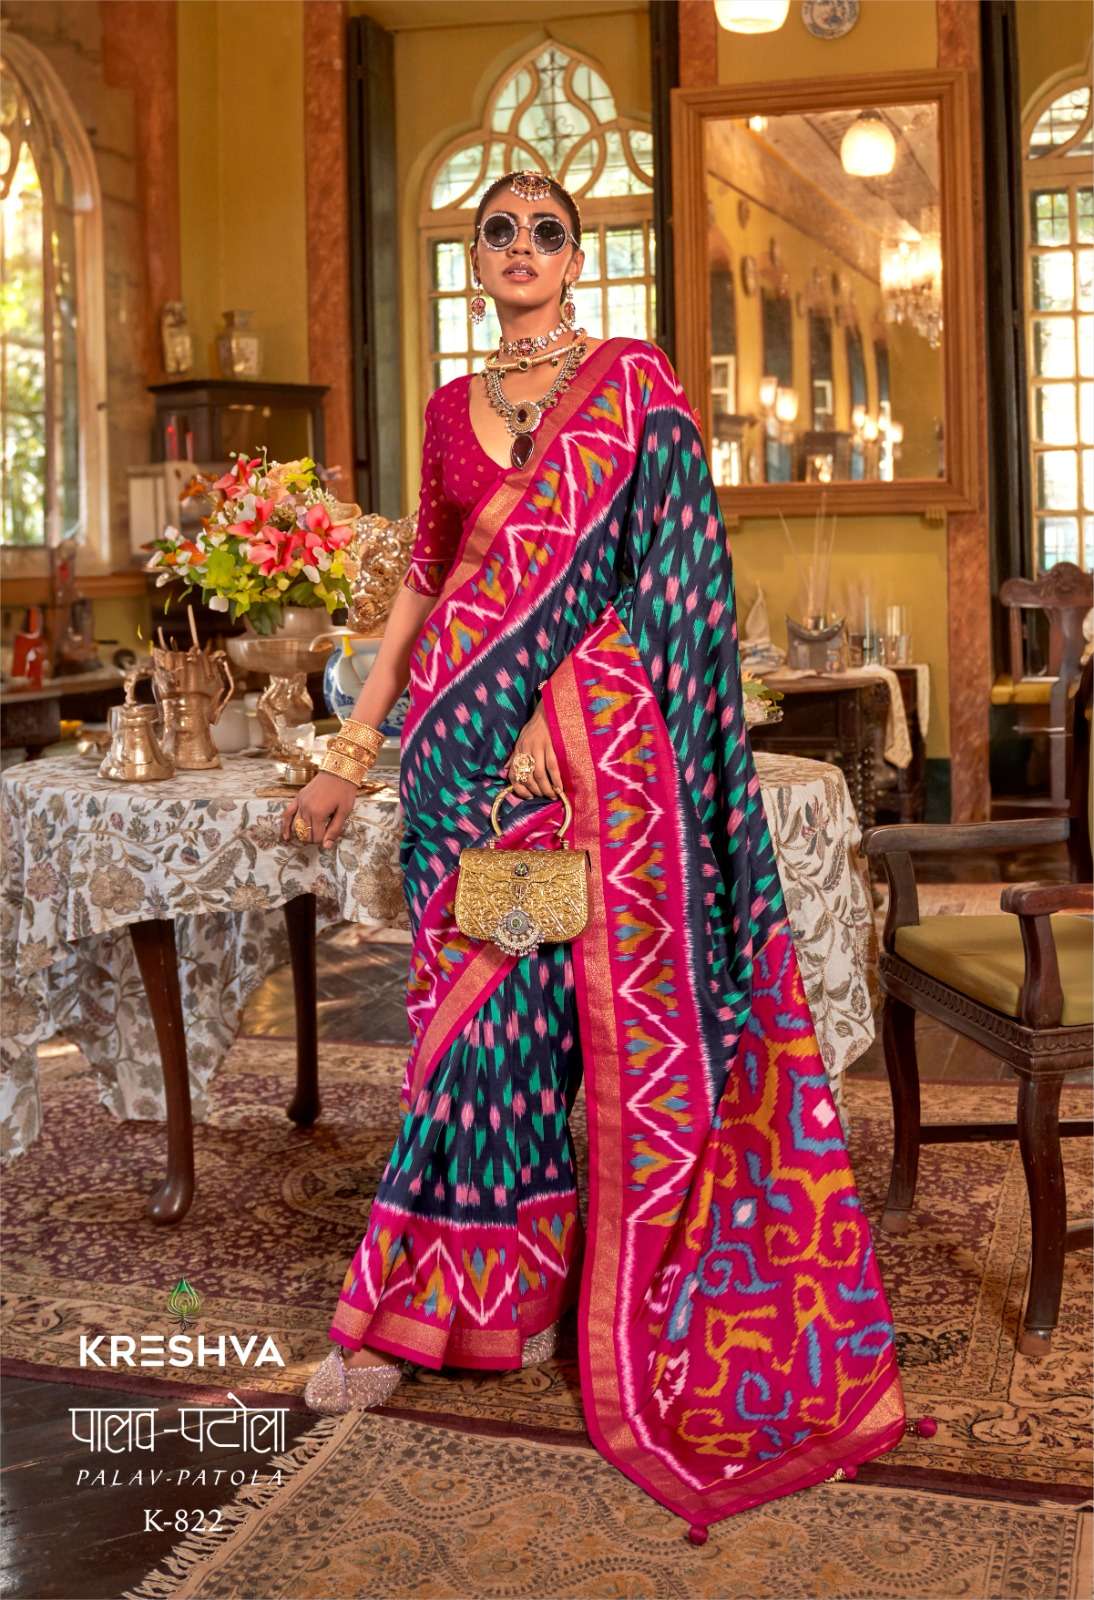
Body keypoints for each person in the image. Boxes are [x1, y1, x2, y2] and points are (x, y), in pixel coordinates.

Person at [287, 168, 908, 1540]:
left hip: (579, 756)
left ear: (577, 257)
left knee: (566, 1022)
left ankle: (512, 1291)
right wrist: (352, 749)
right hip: (453, 752)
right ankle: (456, 1308)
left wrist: (560, 715)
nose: (520, 248)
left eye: (545, 231)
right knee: (473, 1031)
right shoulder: (449, 410)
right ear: (474, 259)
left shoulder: (633, 388)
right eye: (496, 231)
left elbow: (669, 580)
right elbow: (425, 582)